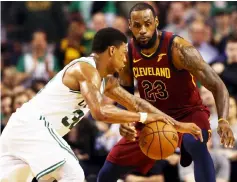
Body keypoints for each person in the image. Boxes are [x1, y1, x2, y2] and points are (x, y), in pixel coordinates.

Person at [0, 27, 201, 182]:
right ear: (111, 50)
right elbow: (99, 112)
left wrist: (177, 124)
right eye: (123, 53)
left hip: (20, 129)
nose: (126, 59)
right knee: (73, 174)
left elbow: (136, 103)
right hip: (34, 126)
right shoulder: (85, 69)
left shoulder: (105, 81)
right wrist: (144, 118)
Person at [97, 3, 235, 182]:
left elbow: (217, 85)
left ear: (156, 22)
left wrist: (223, 121)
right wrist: (125, 120)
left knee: (196, 143)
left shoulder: (179, 48)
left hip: (188, 113)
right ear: (130, 26)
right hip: (153, 117)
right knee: (107, 171)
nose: (143, 30)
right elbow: (125, 93)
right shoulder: (128, 52)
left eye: (147, 24)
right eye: (137, 26)